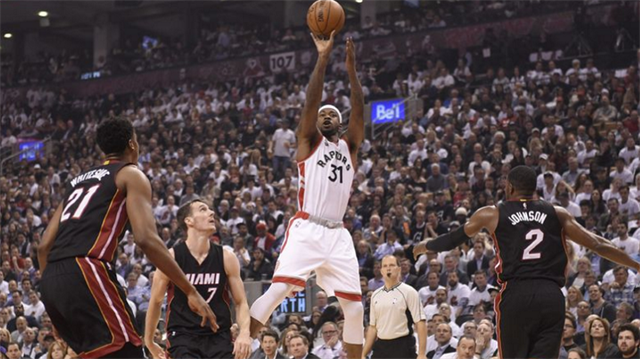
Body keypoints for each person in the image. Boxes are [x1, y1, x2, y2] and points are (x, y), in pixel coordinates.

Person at [414, 165, 640, 359]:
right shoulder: (557, 213)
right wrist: (637, 265)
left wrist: (425, 246)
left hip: (516, 294)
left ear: (509, 187)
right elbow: (598, 244)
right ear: (535, 188)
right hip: (550, 295)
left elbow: (454, 238)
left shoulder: (492, 213)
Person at [37, 118, 216, 359]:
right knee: (126, 351)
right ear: (132, 144)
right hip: (86, 268)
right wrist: (190, 290)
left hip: (50, 279)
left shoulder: (76, 182)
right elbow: (145, 238)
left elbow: (43, 246)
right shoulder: (130, 174)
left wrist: (55, 301)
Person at [249, 33, 365, 359]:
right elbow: (311, 101)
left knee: (354, 310)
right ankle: (237, 347)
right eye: (322, 115)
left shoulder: (349, 146)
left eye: (333, 115)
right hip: (308, 226)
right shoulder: (307, 142)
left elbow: (359, 109)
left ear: (340, 124)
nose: (326, 116)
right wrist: (323, 58)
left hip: (338, 233)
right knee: (277, 292)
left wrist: (352, 70)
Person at [145, 199, 252, 359]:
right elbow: (156, 300)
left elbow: (241, 302)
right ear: (189, 221)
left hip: (219, 336)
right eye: (203, 209)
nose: (211, 213)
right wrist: (149, 341)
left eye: (210, 210)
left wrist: (244, 333)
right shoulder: (171, 258)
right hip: (183, 336)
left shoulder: (226, 257)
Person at [362, 255, 427, 359]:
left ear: (399, 269)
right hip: (381, 346)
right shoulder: (375, 295)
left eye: (392, 265)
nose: (388, 268)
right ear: (381, 270)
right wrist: (364, 353)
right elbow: (373, 327)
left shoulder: (409, 292)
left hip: (402, 345)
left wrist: (422, 354)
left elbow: (420, 322)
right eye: (385, 266)